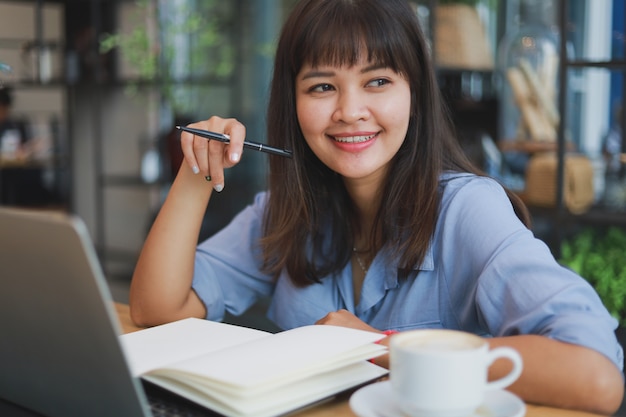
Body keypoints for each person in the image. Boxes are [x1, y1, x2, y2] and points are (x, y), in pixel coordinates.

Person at [130, 0, 624, 413]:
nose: (349, 110)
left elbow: (596, 375)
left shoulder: (467, 211)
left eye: (378, 81)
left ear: (415, 93)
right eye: (322, 86)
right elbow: (157, 310)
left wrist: (380, 348)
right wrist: (199, 168)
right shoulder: (285, 211)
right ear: (293, 102)